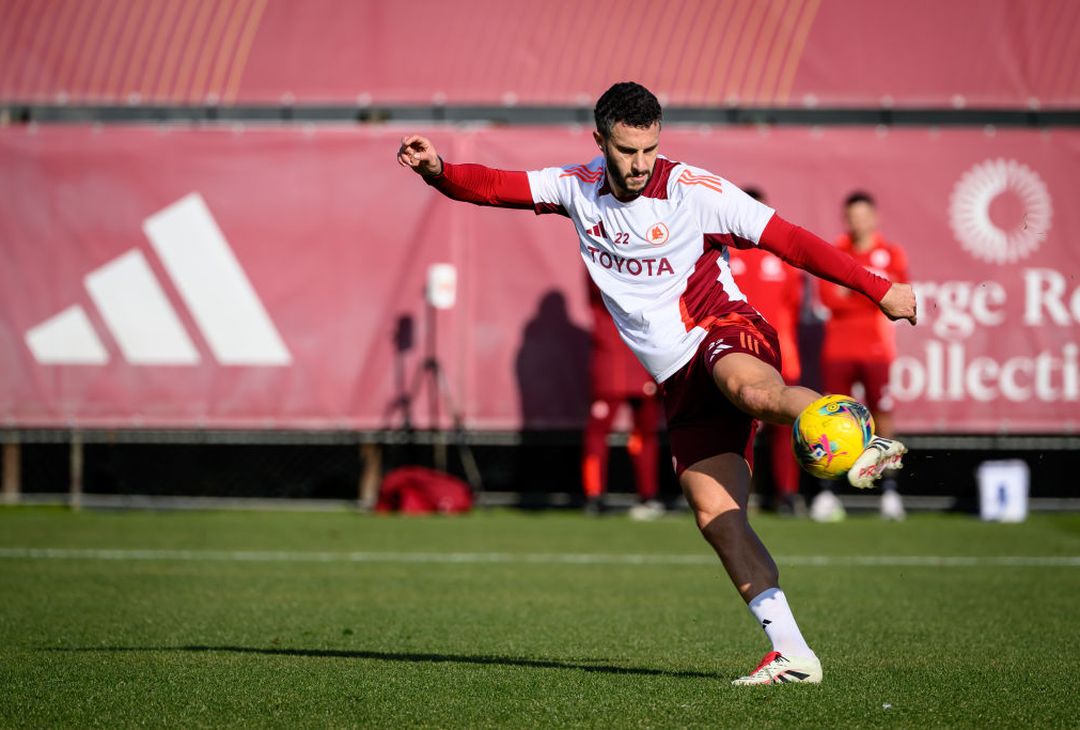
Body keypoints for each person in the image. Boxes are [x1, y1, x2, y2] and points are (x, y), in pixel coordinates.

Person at [397, 82, 916, 685]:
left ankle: (854, 432)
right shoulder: (575, 187)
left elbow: (792, 241)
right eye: (626, 151)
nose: (640, 164)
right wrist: (438, 170)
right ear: (600, 142)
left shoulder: (695, 191)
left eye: (650, 149)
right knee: (716, 516)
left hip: (724, 331)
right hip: (677, 379)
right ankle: (795, 654)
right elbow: (492, 187)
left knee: (751, 392)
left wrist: (879, 290)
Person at [811, 192, 909, 522]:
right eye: (851, 215)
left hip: (875, 349)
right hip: (838, 348)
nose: (857, 221)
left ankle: (890, 491)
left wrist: (853, 291)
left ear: (874, 217)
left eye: (863, 215)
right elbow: (828, 298)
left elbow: (893, 297)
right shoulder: (835, 252)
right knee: (833, 420)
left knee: (883, 415)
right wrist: (869, 290)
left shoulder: (890, 253)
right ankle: (828, 492)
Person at [727, 187, 806, 516]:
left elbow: (793, 305)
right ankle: (734, 497)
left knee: (786, 426)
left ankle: (786, 494)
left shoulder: (781, 256)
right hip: (737, 355)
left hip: (781, 354)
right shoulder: (725, 253)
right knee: (732, 428)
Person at [582, 274, 664, 519]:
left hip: (642, 359)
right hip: (611, 363)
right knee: (598, 431)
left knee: (644, 432)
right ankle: (594, 495)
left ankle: (648, 496)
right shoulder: (598, 254)